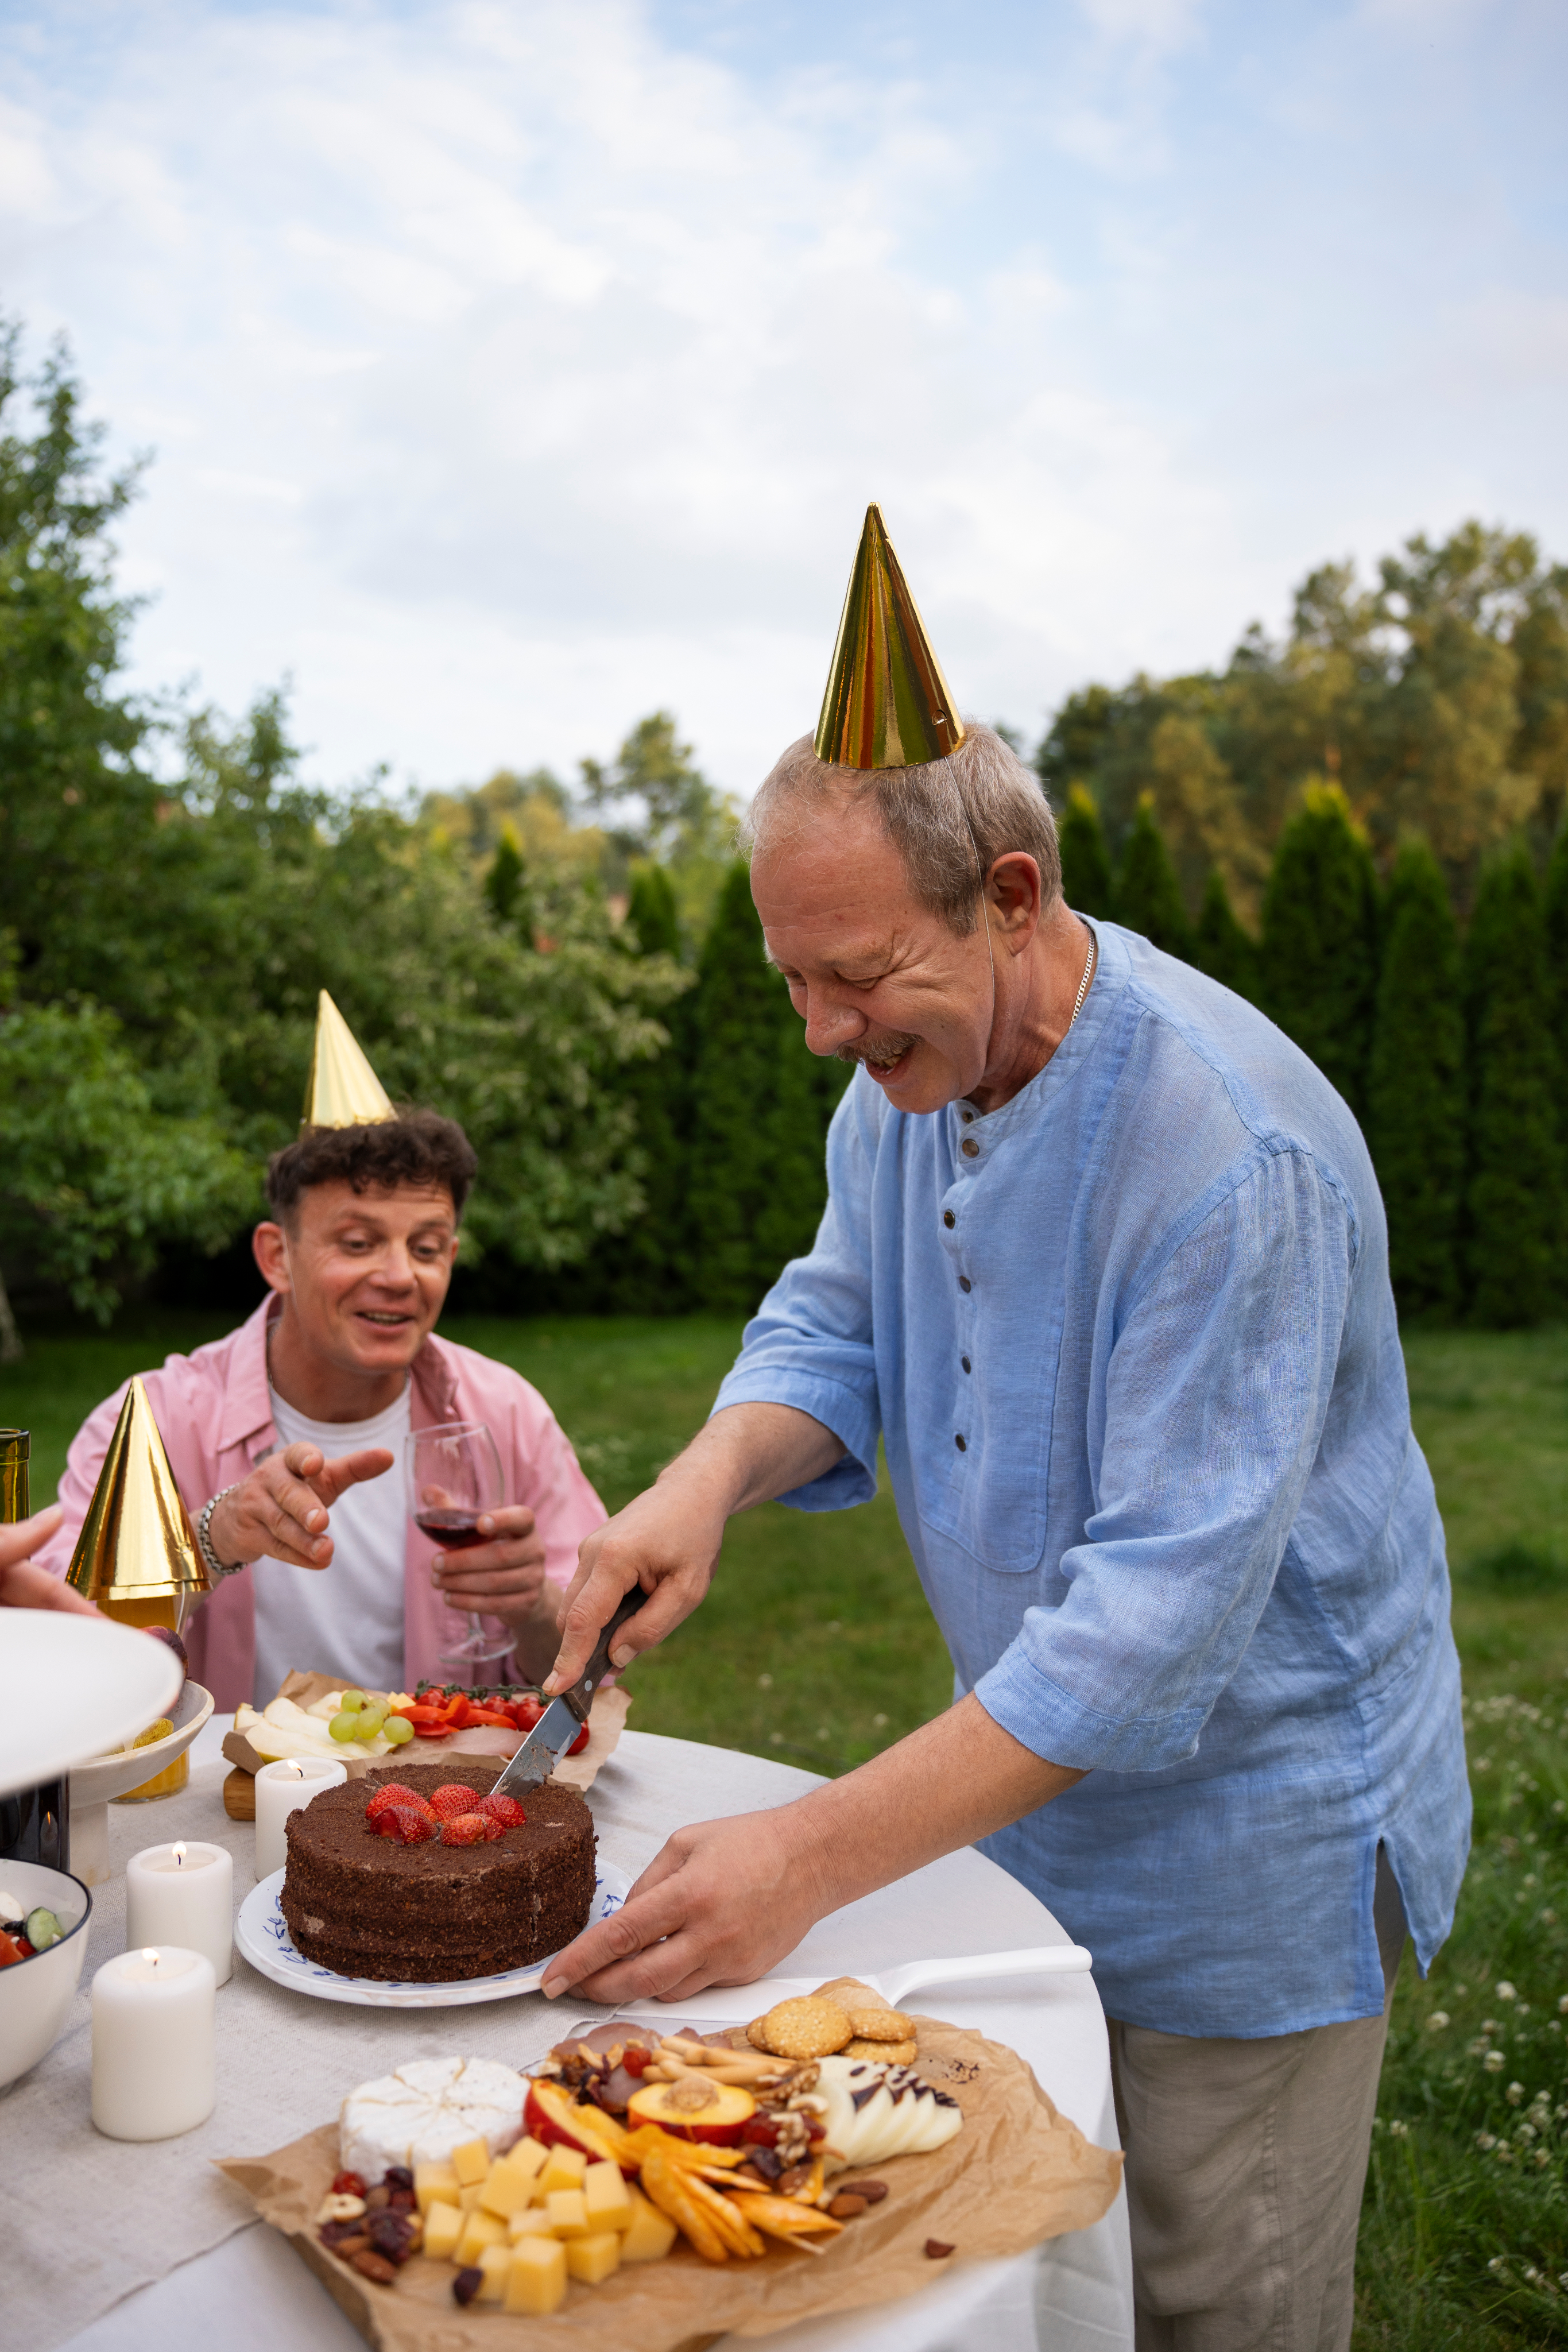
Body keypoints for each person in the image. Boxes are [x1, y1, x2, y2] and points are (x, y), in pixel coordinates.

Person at [534, 510, 1470, 2350]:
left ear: (1016, 897)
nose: (817, 1031)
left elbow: (1144, 1640)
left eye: (854, 975)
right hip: (1012, 1820)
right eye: (789, 979)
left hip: (1242, 1855)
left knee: (1220, 2296)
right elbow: (839, 1312)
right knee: (1053, 2274)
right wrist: (703, 1475)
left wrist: (803, 1858)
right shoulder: (901, 1076)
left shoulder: (1228, 1157)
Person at [36, 1102, 605, 1707]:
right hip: (217, 1797)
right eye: (359, 1242)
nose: (399, 1275)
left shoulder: (505, 1412)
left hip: (436, 1797)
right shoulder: (155, 1419)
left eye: (427, 1247)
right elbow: (62, 1642)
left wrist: (534, 1606)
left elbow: (597, 1666)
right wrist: (211, 1540)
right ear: (277, 1257)